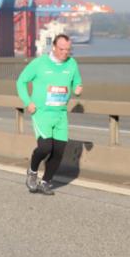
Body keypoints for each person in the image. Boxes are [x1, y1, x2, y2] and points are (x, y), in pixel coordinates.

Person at [16, 34, 82, 195]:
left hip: (60, 115)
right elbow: (21, 81)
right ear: (53, 47)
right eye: (61, 49)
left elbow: (77, 81)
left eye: (68, 50)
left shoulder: (72, 64)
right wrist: (28, 101)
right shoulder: (39, 63)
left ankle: (46, 182)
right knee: (45, 147)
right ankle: (32, 172)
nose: (65, 53)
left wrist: (78, 88)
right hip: (42, 113)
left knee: (59, 151)